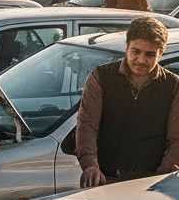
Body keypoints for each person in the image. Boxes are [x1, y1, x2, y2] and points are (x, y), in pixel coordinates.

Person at [76, 16, 179, 187]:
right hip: (105, 180)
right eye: (136, 51)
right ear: (126, 47)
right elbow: (87, 125)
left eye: (150, 54)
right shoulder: (101, 77)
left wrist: (161, 179)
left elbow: (176, 140)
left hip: (150, 183)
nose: (141, 60)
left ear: (161, 53)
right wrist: (90, 165)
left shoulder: (173, 86)